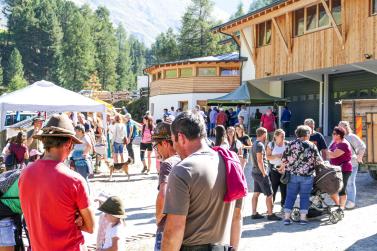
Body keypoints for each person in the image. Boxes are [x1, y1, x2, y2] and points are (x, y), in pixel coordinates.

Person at [162, 112, 239, 250]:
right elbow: (237, 217)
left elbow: (174, 230)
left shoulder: (183, 170)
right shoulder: (231, 162)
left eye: (173, 141)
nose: (174, 147)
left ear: (181, 137)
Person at [19, 114, 95, 250]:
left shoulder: (25, 174)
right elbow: (91, 227)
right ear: (69, 144)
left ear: (44, 141)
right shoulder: (74, 180)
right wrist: (78, 218)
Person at [281, 125, 322, 225]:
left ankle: (287, 218)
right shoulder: (312, 146)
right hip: (307, 176)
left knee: (290, 196)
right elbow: (318, 161)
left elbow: (284, 159)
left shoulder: (291, 144)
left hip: (293, 175)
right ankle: (303, 219)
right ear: (306, 134)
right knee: (304, 196)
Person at [152, 122, 181, 251]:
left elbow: (162, 196)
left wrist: (158, 220)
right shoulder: (184, 159)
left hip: (167, 227)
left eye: (156, 146)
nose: (156, 150)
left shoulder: (167, 164)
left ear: (164, 143)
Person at [250, 127, 281, 221]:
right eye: (266, 134)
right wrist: (264, 173)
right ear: (264, 134)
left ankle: (254, 213)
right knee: (270, 194)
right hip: (260, 173)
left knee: (256, 193)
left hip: (255, 172)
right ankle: (270, 214)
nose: (267, 135)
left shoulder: (254, 143)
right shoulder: (260, 145)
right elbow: (260, 161)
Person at [338, 121, 366, 209]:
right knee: (342, 183)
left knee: (350, 182)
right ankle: (344, 201)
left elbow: (362, 146)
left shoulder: (352, 137)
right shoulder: (338, 137)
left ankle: (351, 202)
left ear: (346, 127)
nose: (340, 129)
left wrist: (359, 157)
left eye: (341, 127)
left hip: (352, 164)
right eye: (339, 127)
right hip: (340, 165)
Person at [328, 126, 353, 210]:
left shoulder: (344, 144)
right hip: (335, 169)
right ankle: (339, 205)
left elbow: (334, 155)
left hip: (344, 169)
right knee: (331, 189)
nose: (332, 135)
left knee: (341, 188)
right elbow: (330, 154)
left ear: (339, 135)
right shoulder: (335, 143)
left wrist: (324, 150)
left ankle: (341, 208)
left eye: (334, 134)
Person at [266, 129, 288, 209]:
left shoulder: (287, 144)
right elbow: (267, 157)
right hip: (274, 169)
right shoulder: (271, 144)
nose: (283, 138)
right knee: (273, 188)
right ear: (275, 136)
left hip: (284, 169)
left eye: (284, 136)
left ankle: (284, 205)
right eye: (282, 136)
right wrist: (276, 156)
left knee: (284, 188)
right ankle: (270, 207)